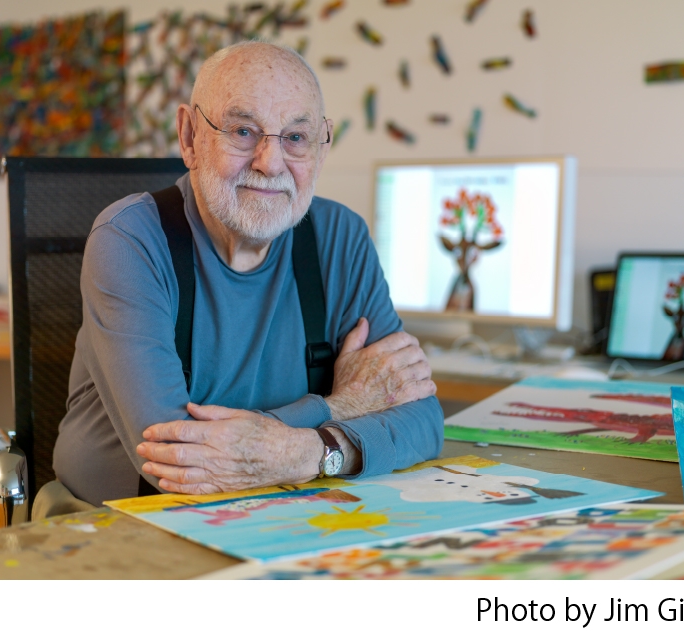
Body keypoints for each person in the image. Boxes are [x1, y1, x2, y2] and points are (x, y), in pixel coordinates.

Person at [52, 41, 443, 507]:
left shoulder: (341, 237)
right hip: (118, 523)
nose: (270, 163)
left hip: (288, 514)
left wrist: (307, 453)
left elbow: (424, 421)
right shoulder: (130, 239)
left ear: (321, 148)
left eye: (295, 137)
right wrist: (344, 406)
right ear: (190, 137)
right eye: (242, 131)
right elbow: (177, 460)